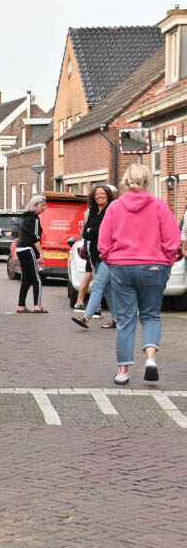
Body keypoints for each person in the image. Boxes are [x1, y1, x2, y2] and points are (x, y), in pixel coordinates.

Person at [98, 162, 181, 384]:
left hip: (122, 266)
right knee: (151, 315)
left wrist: (111, 260)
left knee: (125, 319)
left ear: (126, 182)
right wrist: (167, 261)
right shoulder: (160, 206)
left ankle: (123, 372)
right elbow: (172, 240)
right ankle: (151, 359)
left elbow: (103, 242)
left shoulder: (114, 207)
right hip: (154, 266)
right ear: (148, 182)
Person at [72, 184, 117, 329]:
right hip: (94, 254)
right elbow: (86, 233)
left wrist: (94, 230)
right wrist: (95, 230)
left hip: (109, 254)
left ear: (108, 195)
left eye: (103, 193)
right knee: (107, 288)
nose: (100, 196)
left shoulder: (112, 209)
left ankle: (86, 317)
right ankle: (117, 319)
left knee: (97, 285)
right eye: (97, 194)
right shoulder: (92, 210)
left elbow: (109, 230)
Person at [13, 194, 46, 313]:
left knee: (26, 278)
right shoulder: (34, 218)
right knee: (37, 278)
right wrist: (41, 253)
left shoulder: (25, 218)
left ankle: (21, 306)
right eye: (42, 205)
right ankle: (38, 306)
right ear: (35, 206)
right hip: (29, 249)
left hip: (21, 249)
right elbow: (35, 236)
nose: (44, 207)